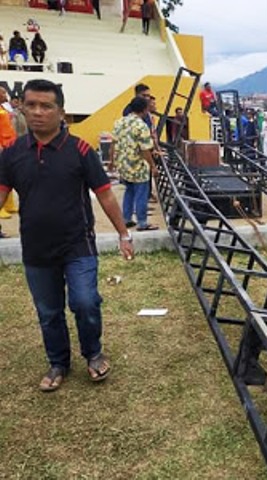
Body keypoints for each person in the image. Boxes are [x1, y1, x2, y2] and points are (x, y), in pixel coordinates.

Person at [0, 79, 133, 391]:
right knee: (48, 312)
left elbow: (106, 196)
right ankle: (58, 362)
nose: (38, 112)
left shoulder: (81, 150)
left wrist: (124, 234)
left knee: (85, 302)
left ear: (61, 112)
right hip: (36, 249)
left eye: (46, 106)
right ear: (20, 106)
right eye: (31, 105)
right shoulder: (12, 153)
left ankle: (93, 354)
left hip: (78, 244)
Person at [110, 96, 159, 231]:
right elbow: (145, 150)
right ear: (144, 110)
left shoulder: (119, 122)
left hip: (123, 164)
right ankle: (142, 222)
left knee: (129, 191)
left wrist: (112, 161)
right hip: (138, 165)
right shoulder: (141, 125)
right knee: (142, 192)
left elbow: (113, 143)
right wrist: (153, 166)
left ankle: (126, 219)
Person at [0, 87, 17, 221]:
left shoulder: (4, 109)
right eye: (3, 93)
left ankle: (9, 204)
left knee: (9, 175)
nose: (6, 95)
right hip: (2, 146)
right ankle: (2, 208)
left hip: (9, 145)